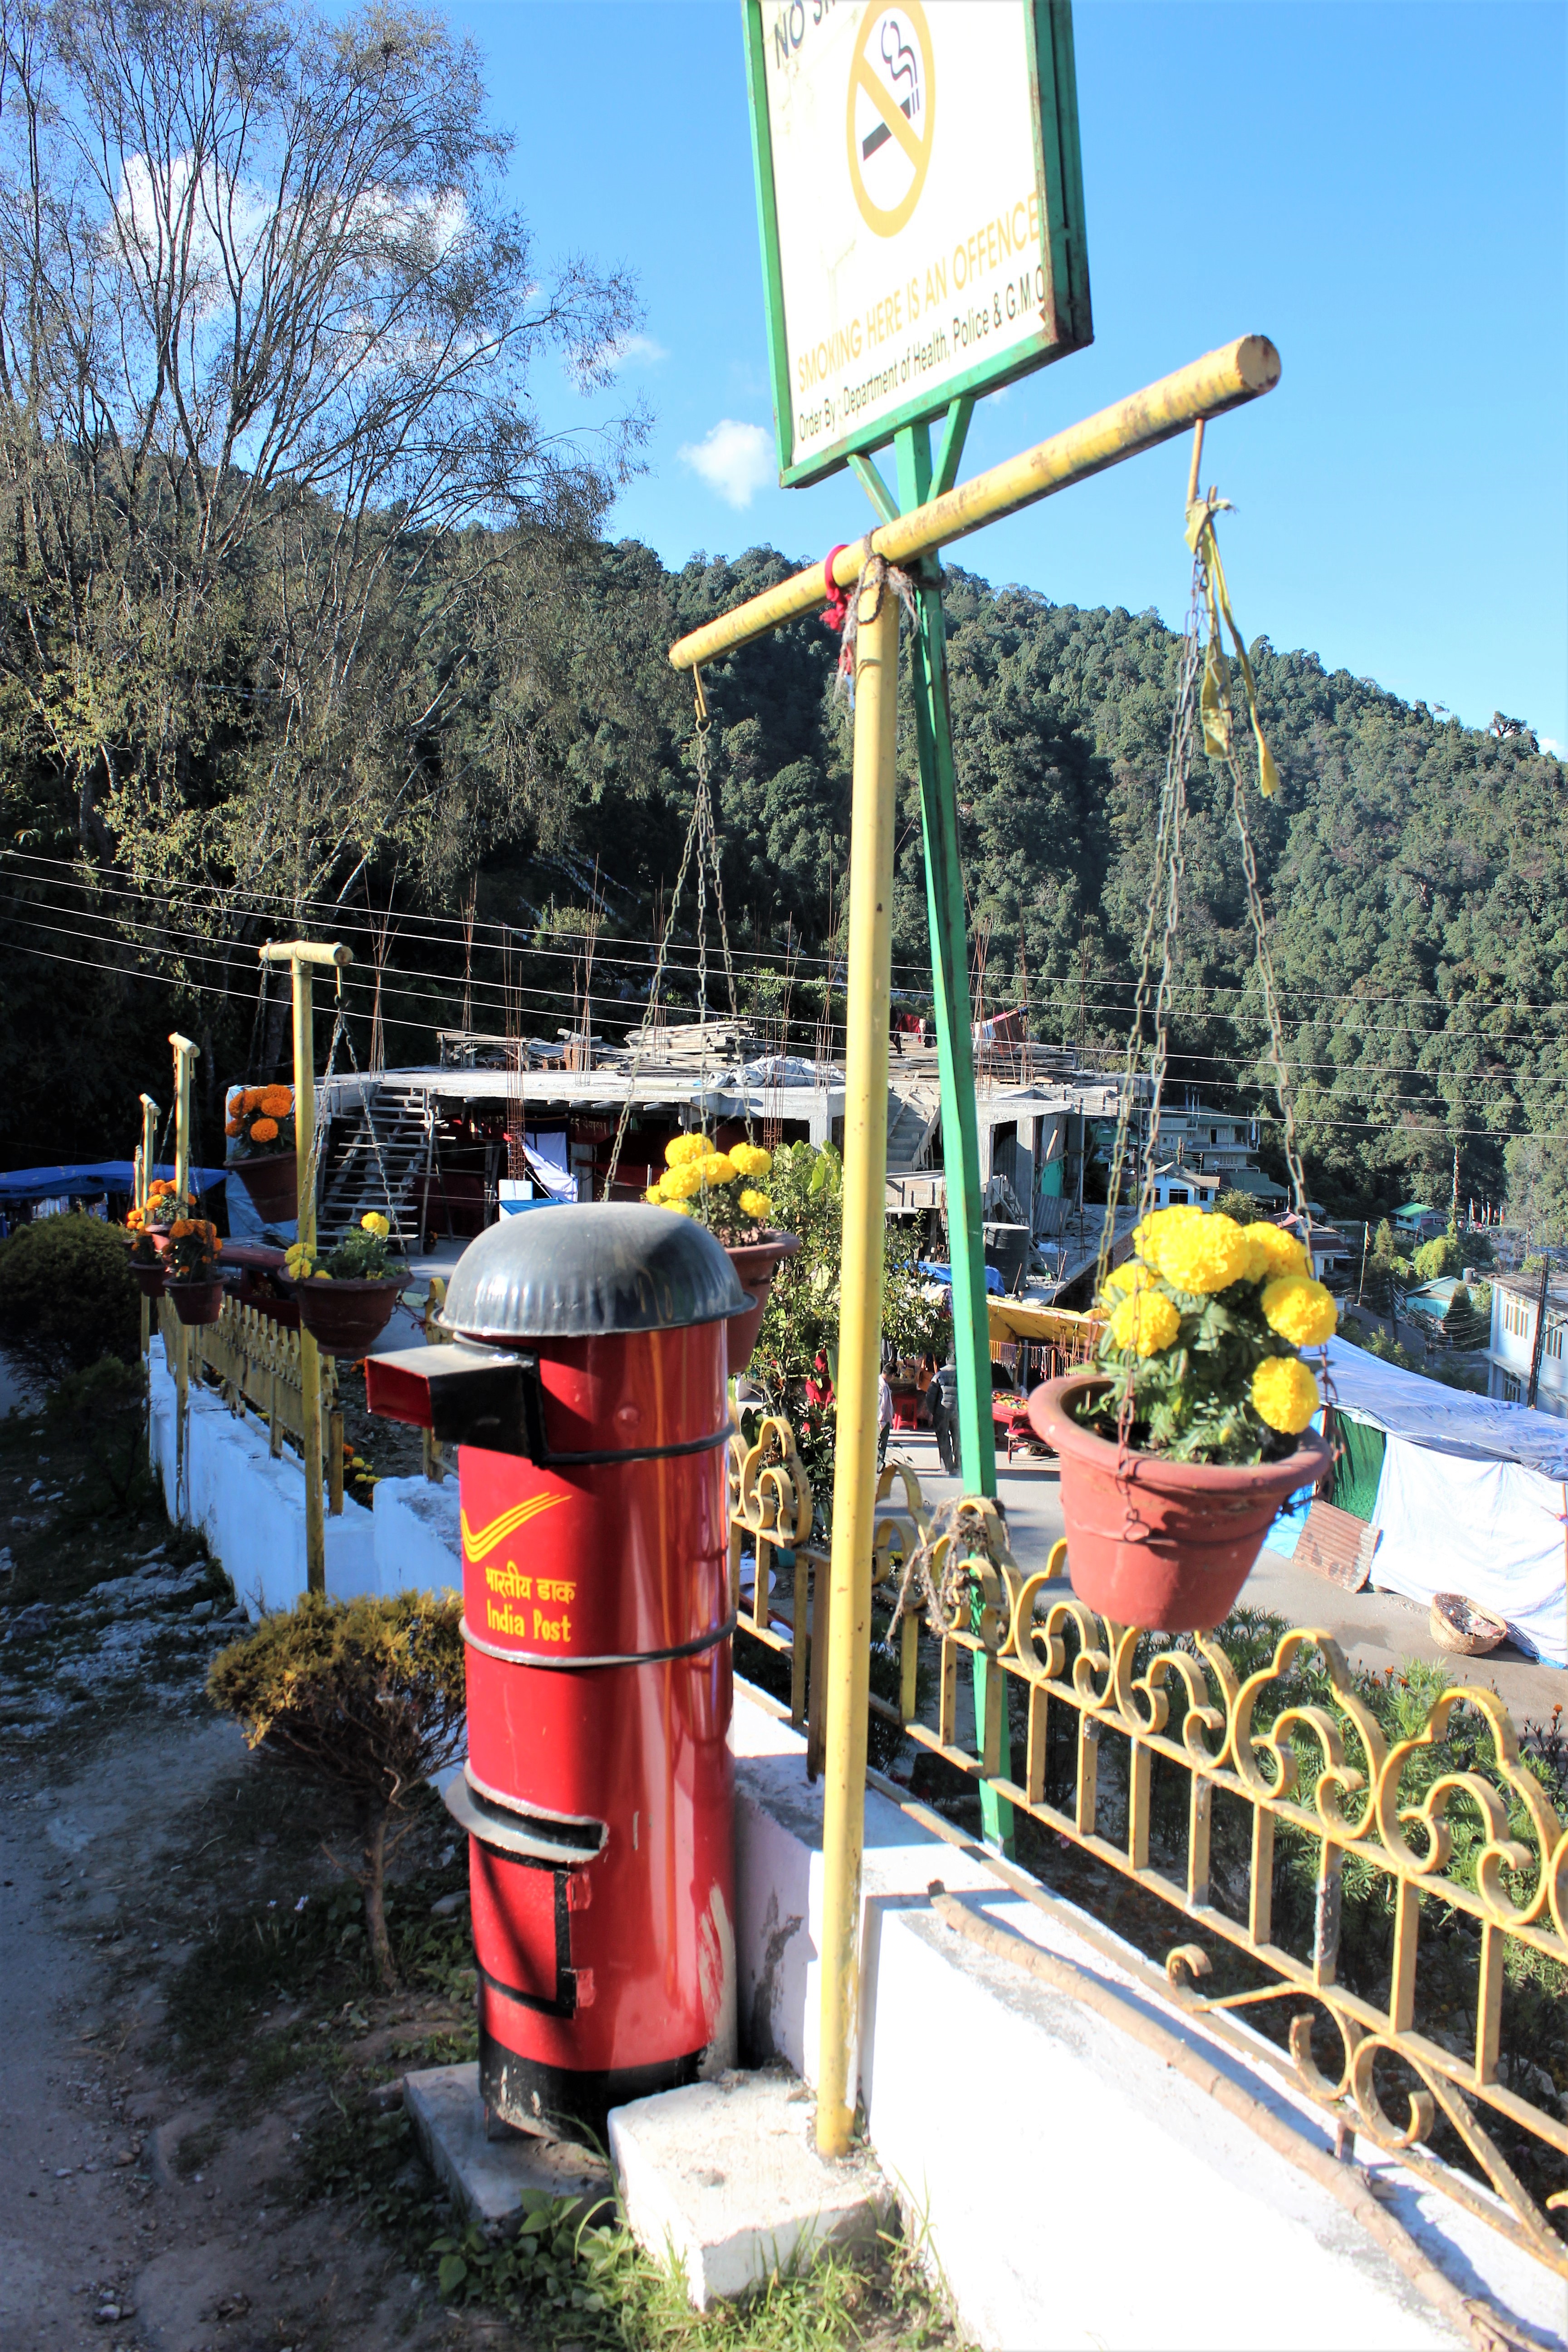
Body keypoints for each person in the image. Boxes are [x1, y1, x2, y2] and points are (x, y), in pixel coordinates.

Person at [929, 1357, 959, 1476]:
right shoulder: (964, 1376)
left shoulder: (939, 1376)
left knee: (943, 1439)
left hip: (942, 1412)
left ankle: (947, 1466)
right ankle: (959, 1465)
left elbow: (931, 1396)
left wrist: (934, 1412)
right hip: (958, 1413)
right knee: (958, 1438)